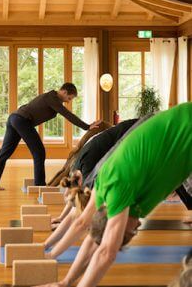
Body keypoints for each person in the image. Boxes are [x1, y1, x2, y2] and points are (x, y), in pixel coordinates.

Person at [37, 102, 192, 287]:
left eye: (131, 231)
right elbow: (90, 234)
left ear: (116, 217)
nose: (138, 227)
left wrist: (49, 253)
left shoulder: (117, 187)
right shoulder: (105, 184)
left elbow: (106, 252)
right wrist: (65, 282)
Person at [0, 83, 100, 189]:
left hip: (15, 118)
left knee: (5, 152)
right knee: (39, 152)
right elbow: (67, 114)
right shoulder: (53, 98)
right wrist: (87, 126)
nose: (69, 101)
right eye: (69, 98)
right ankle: (40, 185)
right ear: (64, 92)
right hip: (21, 120)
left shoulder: (51, 98)